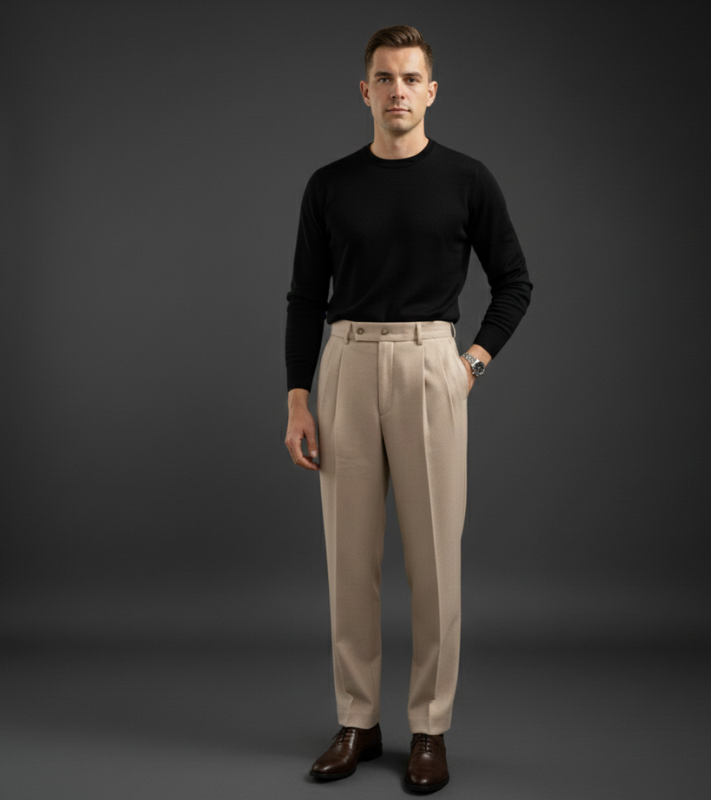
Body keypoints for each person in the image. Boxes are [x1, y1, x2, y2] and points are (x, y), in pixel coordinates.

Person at [284, 24, 532, 794]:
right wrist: (298, 398)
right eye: (385, 79)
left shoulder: (467, 179)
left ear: (432, 91)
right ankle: (357, 721)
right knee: (348, 561)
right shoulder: (329, 185)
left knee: (435, 565)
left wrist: (471, 363)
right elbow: (305, 297)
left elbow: (515, 281)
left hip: (431, 364)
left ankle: (430, 728)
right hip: (346, 362)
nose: (398, 91)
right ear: (365, 91)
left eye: (411, 78)